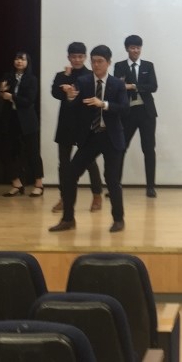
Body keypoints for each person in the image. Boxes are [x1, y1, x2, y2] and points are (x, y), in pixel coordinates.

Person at [49, 45, 129, 233]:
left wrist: (104, 104)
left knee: (112, 179)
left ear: (108, 63)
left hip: (111, 137)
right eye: (93, 61)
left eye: (100, 61)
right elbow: (73, 106)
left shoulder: (117, 84)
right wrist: (70, 97)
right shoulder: (83, 81)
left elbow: (124, 108)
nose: (96, 65)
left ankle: (118, 219)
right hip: (91, 137)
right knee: (70, 175)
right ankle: (68, 219)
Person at [51, 42, 103, 213]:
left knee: (89, 162)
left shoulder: (90, 75)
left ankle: (97, 195)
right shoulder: (62, 75)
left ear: (85, 57)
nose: (77, 60)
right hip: (65, 124)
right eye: (74, 57)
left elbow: (91, 96)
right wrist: (66, 78)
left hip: (84, 125)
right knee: (64, 164)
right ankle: (64, 198)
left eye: (80, 56)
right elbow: (55, 93)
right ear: (69, 57)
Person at [113, 35, 159, 197]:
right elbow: (118, 85)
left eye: (138, 47)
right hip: (128, 112)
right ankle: (115, 185)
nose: (135, 50)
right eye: (132, 47)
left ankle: (150, 187)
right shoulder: (119, 66)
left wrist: (132, 85)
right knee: (121, 148)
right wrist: (134, 86)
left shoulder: (148, 65)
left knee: (149, 149)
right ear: (127, 48)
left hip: (146, 112)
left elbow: (153, 86)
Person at [0, 51, 45, 197]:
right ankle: (16, 184)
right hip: (10, 118)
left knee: (33, 152)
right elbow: (0, 95)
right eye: (17, 59)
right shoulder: (8, 76)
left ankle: (39, 184)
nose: (19, 61)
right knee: (9, 151)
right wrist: (1, 91)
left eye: (22, 59)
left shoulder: (32, 79)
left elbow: (29, 100)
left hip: (27, 120)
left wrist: (11, 96)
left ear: (27, 62)